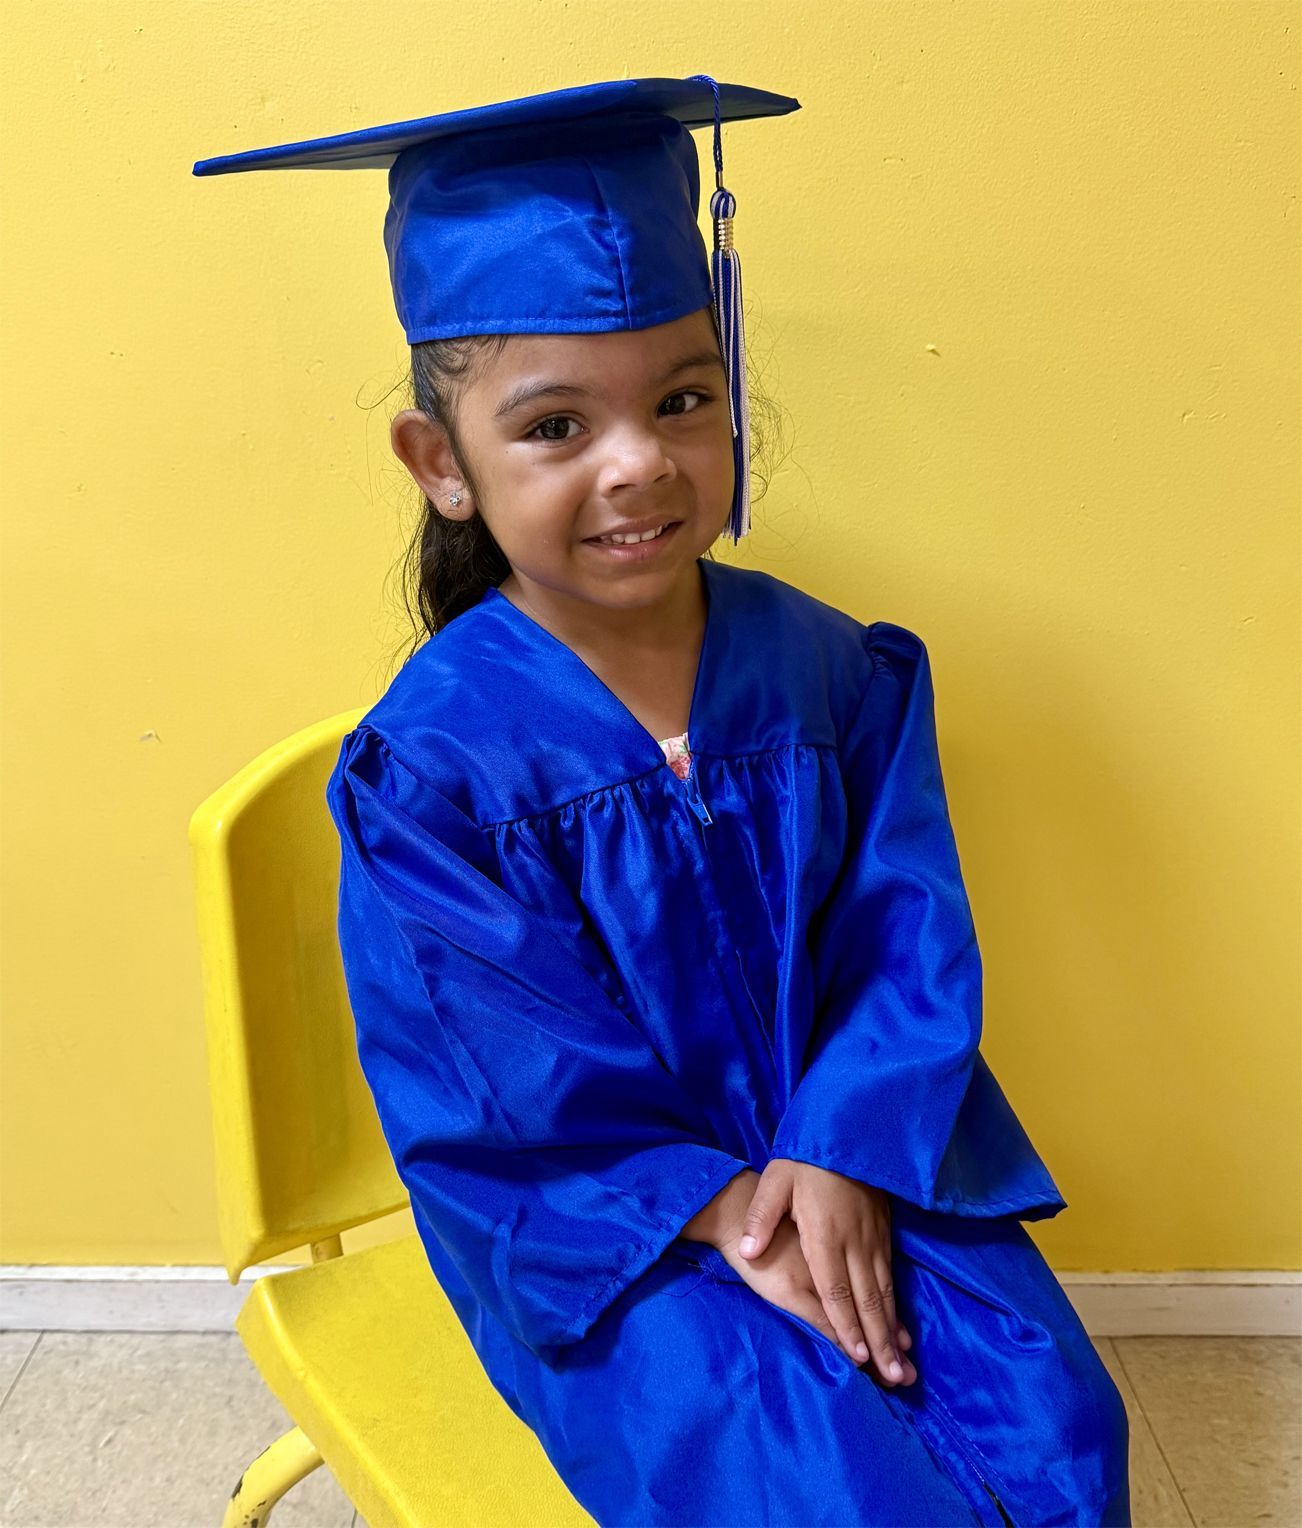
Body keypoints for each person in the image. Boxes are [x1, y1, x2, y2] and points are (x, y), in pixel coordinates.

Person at [195, 75, 1131, 1526]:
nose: (638, 461)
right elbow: (503, 1078)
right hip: (609, 1224)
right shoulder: (436, 764)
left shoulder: (830, 673)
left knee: (1053, 1430)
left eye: (682, 399)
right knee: (819, 1482)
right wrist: (723, 1211)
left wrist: (835, 1154)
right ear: (441, 465)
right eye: (555, 426)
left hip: (862, 1145)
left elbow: (904, 940)